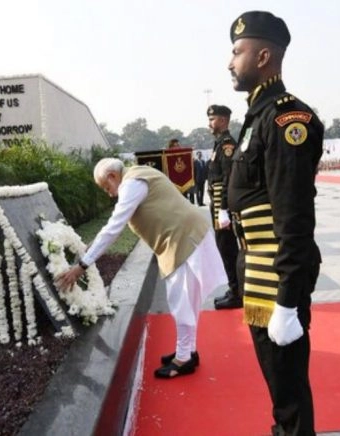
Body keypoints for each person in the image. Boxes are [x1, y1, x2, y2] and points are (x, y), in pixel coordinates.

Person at [227, 11, 324, 435]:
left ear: (264, 55)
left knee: (287, 382)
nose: (230, 62)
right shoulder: (256, 114)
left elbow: (295, 214)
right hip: (256, 265)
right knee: (277, 379)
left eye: (237, 52)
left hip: (275, 271)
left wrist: (287, 298)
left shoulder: (287, 119)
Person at [56, 158, 227, 379]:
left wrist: (82, 265)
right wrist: (90, 249)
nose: (109, 194)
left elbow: (114, 227)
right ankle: (188, 351)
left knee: (182, 301)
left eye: (106, 187)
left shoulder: (131, 184)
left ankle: (184, 358)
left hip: (181, 239)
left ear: (112, 176)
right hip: (185, 236)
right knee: (187, 301)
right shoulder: (138, 174)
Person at [205, 104, 243, 310]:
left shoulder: (227, 145)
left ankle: (237, 292)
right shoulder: (219, 144)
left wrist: (224, 209)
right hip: (218, 204)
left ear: (223, 120)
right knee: (225, 248)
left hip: (223, 205)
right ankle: (234, 288)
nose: (209, 123)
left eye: (213, 119)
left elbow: (229, 179)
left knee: (228, 249)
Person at [168, 138, 196, 204]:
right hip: (172, 183)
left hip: (183, 182)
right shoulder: (167, 157)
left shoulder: (183, 155)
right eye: (175, 146)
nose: (178, 147)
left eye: (178, 145)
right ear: (171, 147)